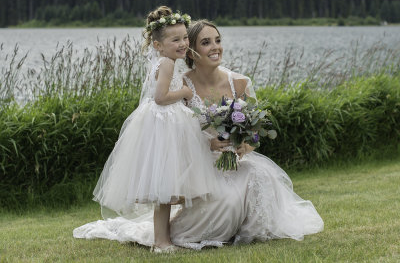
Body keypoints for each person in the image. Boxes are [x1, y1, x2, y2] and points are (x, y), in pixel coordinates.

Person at [73, 19, 324, 250]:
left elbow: (253, 136)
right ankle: (183, 231)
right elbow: (174, 140)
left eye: (217, 40)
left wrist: (242, 146)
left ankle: (248, 228)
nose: (215, 47)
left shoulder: (240, 83)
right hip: (202, 168)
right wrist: (210, 145)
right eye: (206, 42)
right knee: (225, 201)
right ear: (191, 50)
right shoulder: (180, 85)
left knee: (261, 174)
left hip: (235, 161)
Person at [82, 8, 221, 253]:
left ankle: (167, 235)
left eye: (184, 38)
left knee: (166, 193)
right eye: (175, 39)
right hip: (164, 126)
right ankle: (161, 242)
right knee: (165, 193)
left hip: (165, 124)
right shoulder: (167, 64)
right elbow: (160, 97)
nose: (183, 43)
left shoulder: (166, 61)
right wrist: (186, 93)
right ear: (158, 45)